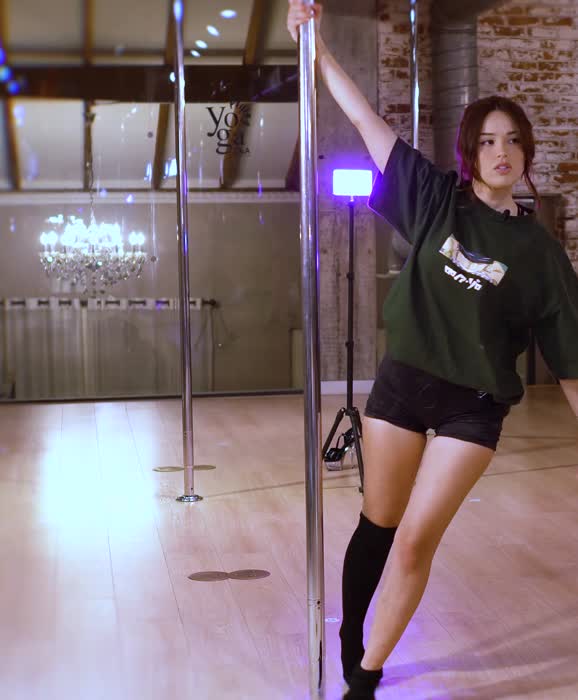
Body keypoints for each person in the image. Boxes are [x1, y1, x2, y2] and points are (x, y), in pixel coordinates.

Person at [287, 2, 578, 699]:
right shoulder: (434, 198)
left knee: (416, 538)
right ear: (469, 151)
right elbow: (366, 121)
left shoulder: (541, 254)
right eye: (488, 140)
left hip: (472, 407)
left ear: (526, 154)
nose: (502, 152)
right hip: (402, 386)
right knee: (379, 524)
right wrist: (316, 49)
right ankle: (352, 635)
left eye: (513, 141)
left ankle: (364, 679)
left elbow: (571, 364)